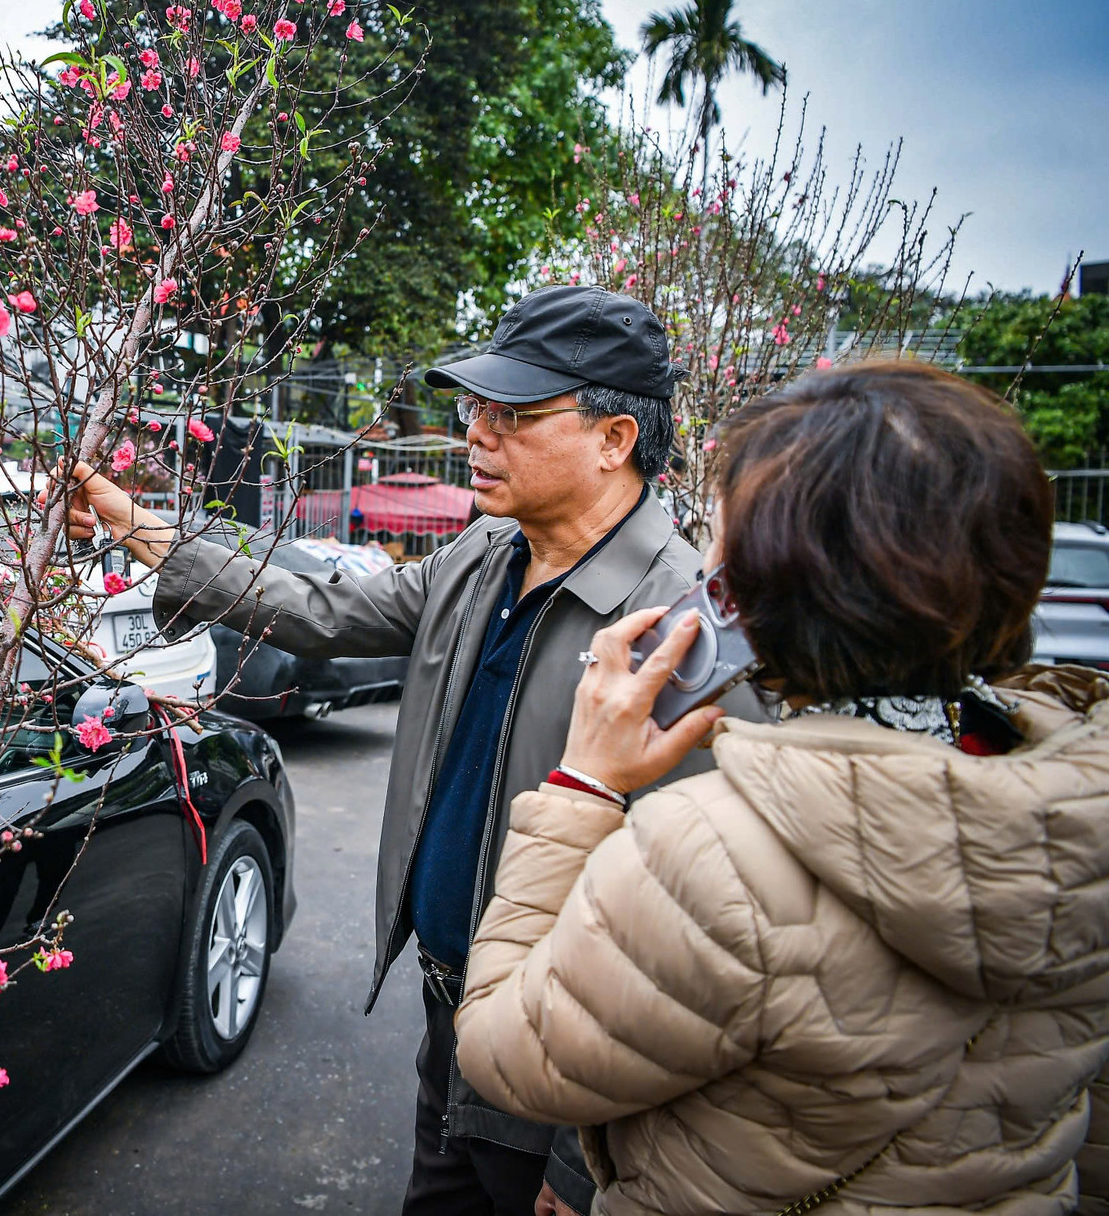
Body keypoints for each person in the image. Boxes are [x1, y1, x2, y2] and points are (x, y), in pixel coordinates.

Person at [65, 284, 764, 1215]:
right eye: (477, 409)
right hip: (451, 1026)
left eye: (515, 413)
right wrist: (136, 525)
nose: (477, 433)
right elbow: (314, 611)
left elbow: (700, 940)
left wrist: (574, 1159)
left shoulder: (679, 634)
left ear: (614, 439)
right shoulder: (482, 557)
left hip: (565, 1075)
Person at [453, 359, 1109, 1213]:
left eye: (720, 552)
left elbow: (507, 1053)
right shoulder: (1079, 800)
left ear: (755, 598)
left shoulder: (712, 856)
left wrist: (582, 786)